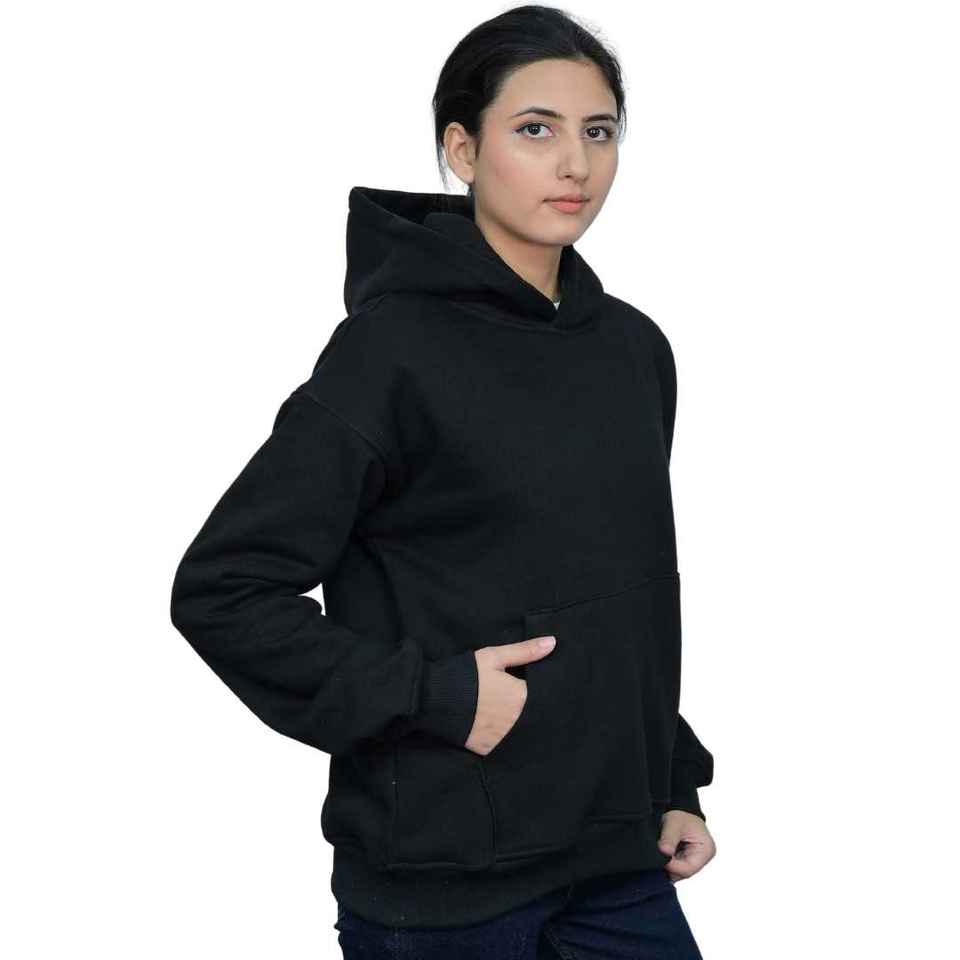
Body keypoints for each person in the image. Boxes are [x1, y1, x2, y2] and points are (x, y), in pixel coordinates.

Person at [170, 5, 716, 957]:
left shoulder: (634, 350)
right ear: (463, 151)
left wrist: (672, 779)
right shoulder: (389, 355)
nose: (575, 164)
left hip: (615, 860)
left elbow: (621, 595)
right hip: (444, 884)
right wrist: (435, 696)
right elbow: (224, 590)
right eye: (535, 130)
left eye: (598, 132)